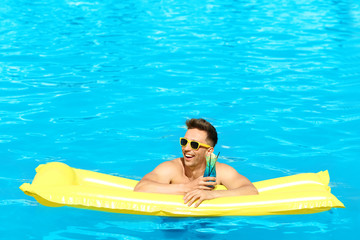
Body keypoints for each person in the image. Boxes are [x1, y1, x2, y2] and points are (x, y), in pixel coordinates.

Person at [134, 118, 258, 207]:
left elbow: (250, 191)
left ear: (209, 151)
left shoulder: (218, 171)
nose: (186, 148)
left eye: (194, 144)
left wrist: (212, 195)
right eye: (184, 142)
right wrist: (186, 188)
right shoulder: (172, 168)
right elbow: (141, 188)